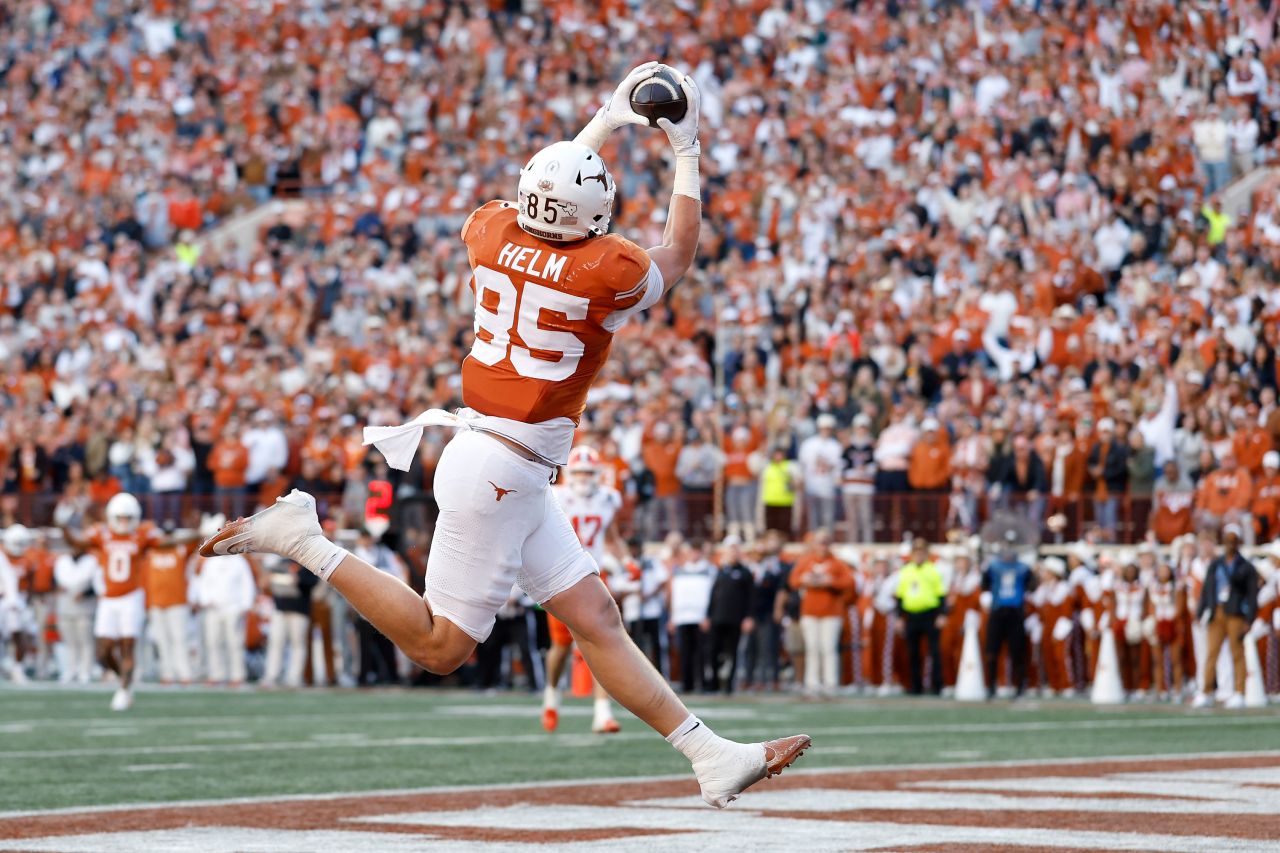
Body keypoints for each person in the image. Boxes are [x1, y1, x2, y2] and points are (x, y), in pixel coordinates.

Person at [200, 62, 808, 808]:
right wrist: (686, 148)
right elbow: (676, 255)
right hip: (501, 467)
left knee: (594, 616)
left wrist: (603, 122)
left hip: (502, 461)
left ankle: (709, 755)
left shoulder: (488, 229)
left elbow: (536, 201)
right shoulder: (603, 268)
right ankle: (304, 538)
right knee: (440, 646)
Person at [61, 493, 178, 710]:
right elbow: (76, 542)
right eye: (120, 517)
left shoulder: (142, 534)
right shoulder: (101, 533)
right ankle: (124, 680)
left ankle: (124, 690)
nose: (124, 522)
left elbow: (166, 542)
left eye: (128, 517)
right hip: (108, 598)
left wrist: (200, 535)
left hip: (131, 596)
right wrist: (62, 526)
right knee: (103, 652)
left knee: (127, 647)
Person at [542, 445, 624, 734]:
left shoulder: (608, 499)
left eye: (589, 472)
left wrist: (627, 560)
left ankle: (602, 713)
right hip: (562, 578)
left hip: (595, 576)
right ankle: (551, 695)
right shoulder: (555, 496)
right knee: (562, 647)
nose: (584, 478)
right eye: (579, 472)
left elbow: (611, 535)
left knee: (602, 642)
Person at [1192, 525, 1260, 709]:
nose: (1230, 544)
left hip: (1236, 613)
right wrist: (1200, 612)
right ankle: (1206, 691)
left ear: (1238, 542)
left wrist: (1249, 619)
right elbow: (1207, 590)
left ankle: (1239, 692)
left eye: (1233, 540)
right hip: (1217, 611)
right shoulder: (1216, 565)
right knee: (1211, 652)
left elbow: (1252, 595)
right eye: (1227, 540)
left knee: (1237, 653)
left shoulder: (1246, 567)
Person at [789, 530, 855, 695]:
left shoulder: (837, 563)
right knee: (812, 648)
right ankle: (812, 682)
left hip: (831, 612)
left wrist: (831, 581)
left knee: (828, 648)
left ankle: (830, 682)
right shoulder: (807, 561)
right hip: (810, 612)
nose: (822, 546)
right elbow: (793, 581)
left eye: (825, 542)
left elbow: (849, 582)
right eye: (820, 542)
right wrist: (805, 579)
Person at [982, 534, 1036, 699]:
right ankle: (991, 685)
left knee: (1017, 651)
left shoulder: (1023, 568)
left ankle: (1019, 685)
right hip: (998, 611)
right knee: (992, 650)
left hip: (1015, 612)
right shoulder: (993, 566)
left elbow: (1032, 585)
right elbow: (984, 585)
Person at [896, 537, 947, 695]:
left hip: (929, 614)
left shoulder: (933, 570)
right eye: (916, 552)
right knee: (913, 652)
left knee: (934, 651)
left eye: (922, 552)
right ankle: (915, 685)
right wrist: (900, 617)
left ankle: (937, 685)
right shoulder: (906, 571)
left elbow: (941, 594)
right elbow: (900, 595)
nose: (919, 555)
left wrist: (941, 614)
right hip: (911, 615)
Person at [706, 539, 755, 694]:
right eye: (730, 550)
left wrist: (748, 617)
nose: (733, 553)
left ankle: (728, 685)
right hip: (717, 617)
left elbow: (750, 597)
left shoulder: (745, 572)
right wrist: (708, 615)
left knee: (733, 651)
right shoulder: (721, 570)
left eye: (736, 550)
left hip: (735, 619)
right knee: (714, 650)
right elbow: (713, 595)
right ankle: (713, 683)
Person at [261, 556, 318, 688]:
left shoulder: (307, 564)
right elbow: (268, 580)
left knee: (297, 644)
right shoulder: (281, 564)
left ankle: (294, 677)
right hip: (280, 608)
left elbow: (313, 581)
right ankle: (271, 675)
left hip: (299, 609)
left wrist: (298, 580)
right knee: (276, 642)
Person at [53, 542, 98, 684]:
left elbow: (98, 585)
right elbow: (54, 581)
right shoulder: (62, 561)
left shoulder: (92, 561)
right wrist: (57, 587)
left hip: (84, 607)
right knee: (69, 641)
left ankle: (85, 671)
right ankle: (70, 670)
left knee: (85, 641)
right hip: (65, 606)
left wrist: (85, 594)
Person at [798, 414, 842, 534]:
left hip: (828, 487)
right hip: (812, 486)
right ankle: (813, 544)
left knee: (828, 518)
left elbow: (837, 467)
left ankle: (827, 543)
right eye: (823, 428)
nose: (825, 431)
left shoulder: (835, 445)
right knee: (813, 519)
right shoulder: (809, 444)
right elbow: (802, 465)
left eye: (828, 428)